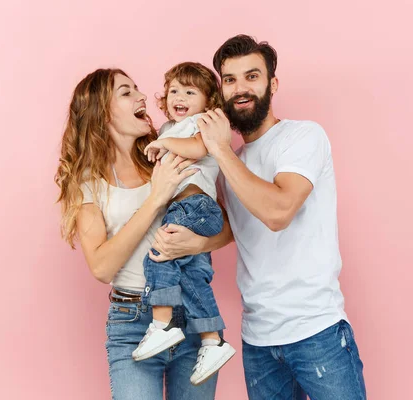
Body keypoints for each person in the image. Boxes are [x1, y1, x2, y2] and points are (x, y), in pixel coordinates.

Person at [189, 34, 366, 399]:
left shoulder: (302, 137)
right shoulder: (230, 164)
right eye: (231, 79)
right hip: (258, 342)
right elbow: (233, 228)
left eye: (252, 77)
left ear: (273, 84)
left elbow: (277, 212)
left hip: (316, 331)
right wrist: (178, 244)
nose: (241, 89)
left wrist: (220, 150)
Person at [55, 68, 232, 399]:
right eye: (126, 92)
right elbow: (102, 267)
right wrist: (155, 199)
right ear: (100, 111)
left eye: (137, 89)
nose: (142, 97)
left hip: (193, 315)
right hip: (132, 321)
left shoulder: (166, 152)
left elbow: (223, 226)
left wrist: (197, 243)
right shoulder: (87, 183)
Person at [132, 62, 235, 386]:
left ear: (209, 102)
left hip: (197, 206)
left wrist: (164, 145)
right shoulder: (166, 130)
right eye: (174, 90)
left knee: (160, 252)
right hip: (184, 208)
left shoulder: (201, 123)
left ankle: (163, 323)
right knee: (192, 276)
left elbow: (198, 148)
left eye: (190, 91)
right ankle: (213, 340)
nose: (179, 96)